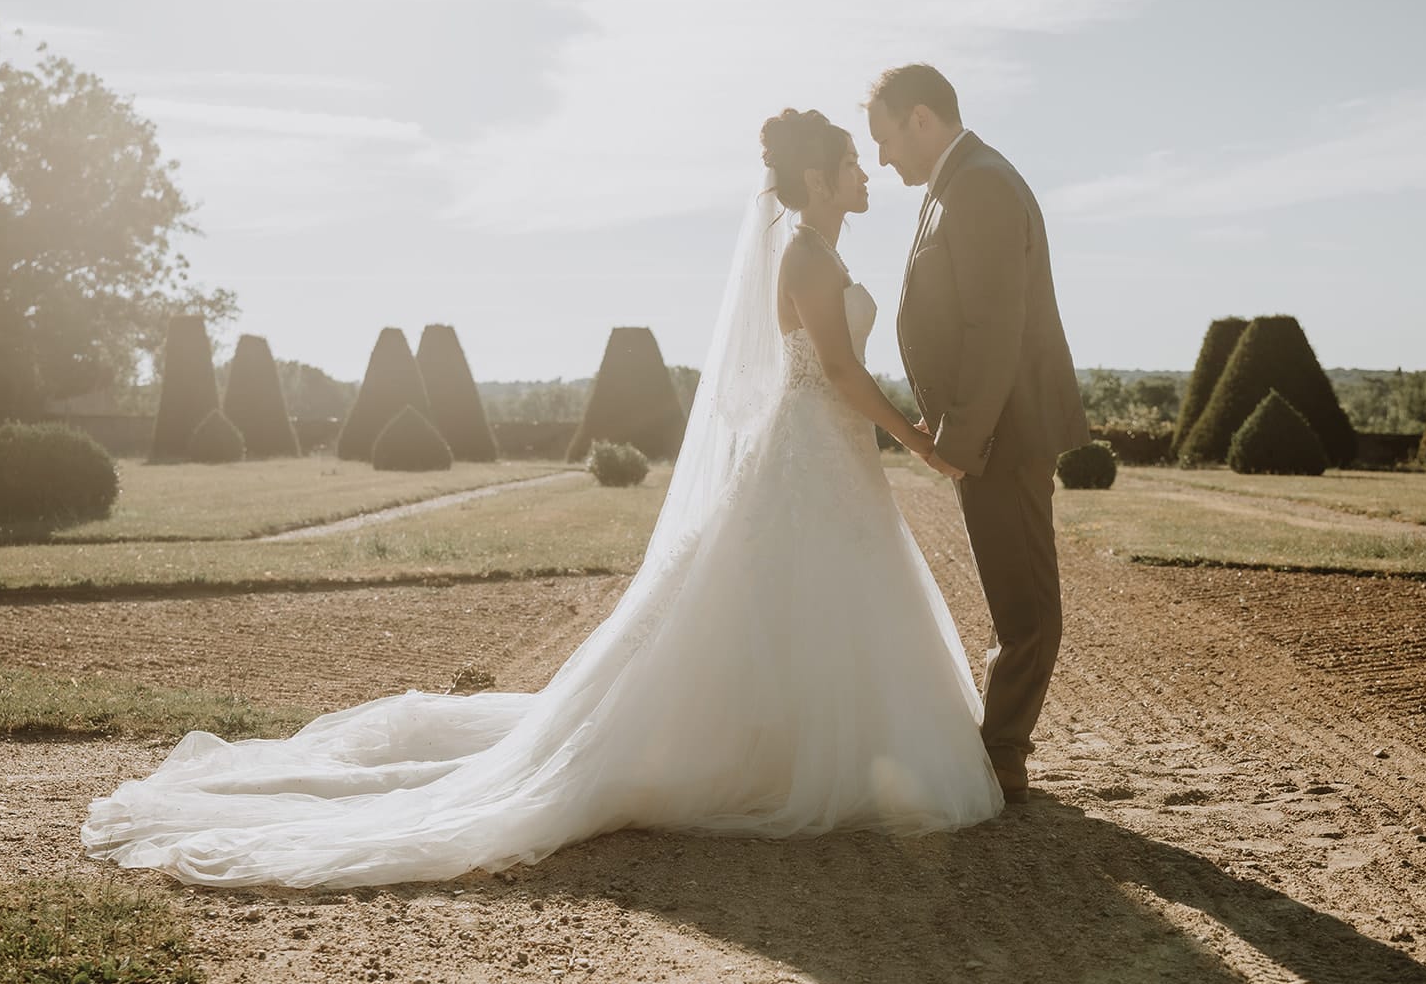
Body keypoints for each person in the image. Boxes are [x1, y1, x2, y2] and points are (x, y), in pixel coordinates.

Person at [80, 108, 1002, 889]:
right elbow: (837, 372)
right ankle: (793, 762)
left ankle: (806, 751)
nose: (867, 173)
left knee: (813, 606)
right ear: (818, 175)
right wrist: (924, 441)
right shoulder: (803, 257)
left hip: (826, 452)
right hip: (817, 445)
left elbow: (832, 373)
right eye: (853, 162)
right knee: (790, 601)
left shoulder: (815, 253)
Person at [866, 64, 1090, 803]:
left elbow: (993, 328)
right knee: (1009, 594)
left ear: (921, 118)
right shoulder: (957, 183)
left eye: (886, 137)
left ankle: (1001, 759)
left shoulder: (982, 184)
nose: (882, 157)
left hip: (1008, 432)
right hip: (988, 429)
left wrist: (960, 439)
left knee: (1026, 606)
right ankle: (994, 750)